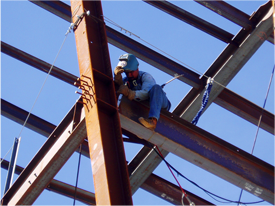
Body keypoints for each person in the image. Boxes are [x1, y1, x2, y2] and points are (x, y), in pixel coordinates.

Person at [114, 53, 171, 130]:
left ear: (137, 69)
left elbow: (146, 93)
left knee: (156, 88)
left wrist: (129, 93)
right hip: (145, 104)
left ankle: (153, 121)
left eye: (131, 72)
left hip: (161, 103)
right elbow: (120, 89)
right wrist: (118, 78)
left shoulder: (146, 77)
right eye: (127, 73)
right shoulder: (126, 81)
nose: (129, 75)